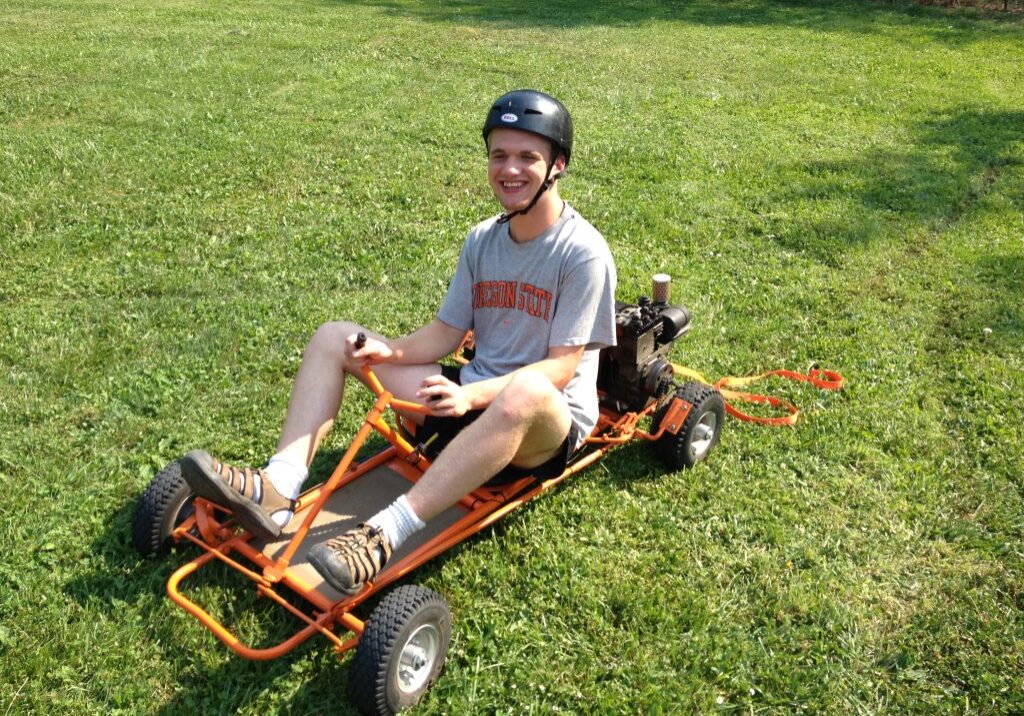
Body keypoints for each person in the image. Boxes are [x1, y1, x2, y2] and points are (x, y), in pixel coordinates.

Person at [180, 89, 617, 595]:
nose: (510, 170)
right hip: (469, 398)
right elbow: (447, 334)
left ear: (557, 165)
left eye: (527, 157)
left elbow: (561, 369)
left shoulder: (582, 252)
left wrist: (471, 396)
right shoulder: (483, 239)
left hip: (544, 424)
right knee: (333, 339)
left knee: (525, 393)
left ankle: (384, 533)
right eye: (499, 155)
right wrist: (391, 352)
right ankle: (278, 489)